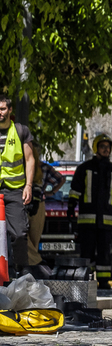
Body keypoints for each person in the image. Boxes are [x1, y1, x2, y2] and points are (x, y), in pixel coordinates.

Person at [68, 133, 112, 289]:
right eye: (102, 146)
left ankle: (104, 281)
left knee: (104, 253)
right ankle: (85, 279)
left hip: (106, 221)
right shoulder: (84, 169)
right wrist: (71, 208)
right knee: (86, 252)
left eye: (108, 147)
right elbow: (75, 191)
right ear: (96, 148)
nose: (106, 149)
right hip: (87, 221)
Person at [0, 95, 36, 275]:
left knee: (20, 233)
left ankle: (22, 270)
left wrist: (28, 186)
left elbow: (30, 159)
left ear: (10, 110)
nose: (0, 113)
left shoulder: (20, 131)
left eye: (3, 109)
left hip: (14, 191)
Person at [26, 146, 66, 268]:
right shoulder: (21, 167)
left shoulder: (44, 167)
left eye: (36, 151)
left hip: (38, 204)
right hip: (22, 203)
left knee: (34, 237)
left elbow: (61, 179)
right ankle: (37, 262)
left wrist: (51, 193)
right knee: (21, 234)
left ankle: (30, 266)